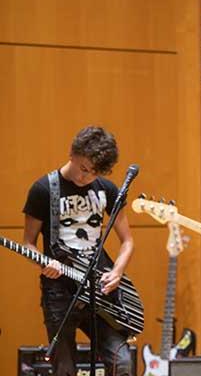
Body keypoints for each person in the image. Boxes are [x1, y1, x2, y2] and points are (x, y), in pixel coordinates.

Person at [22, 126, 135, 376]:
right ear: (72, 153)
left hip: (99, 289)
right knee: (65, 369)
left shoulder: (106, 189)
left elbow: (127, 241)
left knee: (123, 362)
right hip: (59, 291)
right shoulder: (43, 189)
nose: (86, 178)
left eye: (94, 173)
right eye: (84, 169)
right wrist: (43, 263)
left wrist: (117, 272)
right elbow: (28, 243)